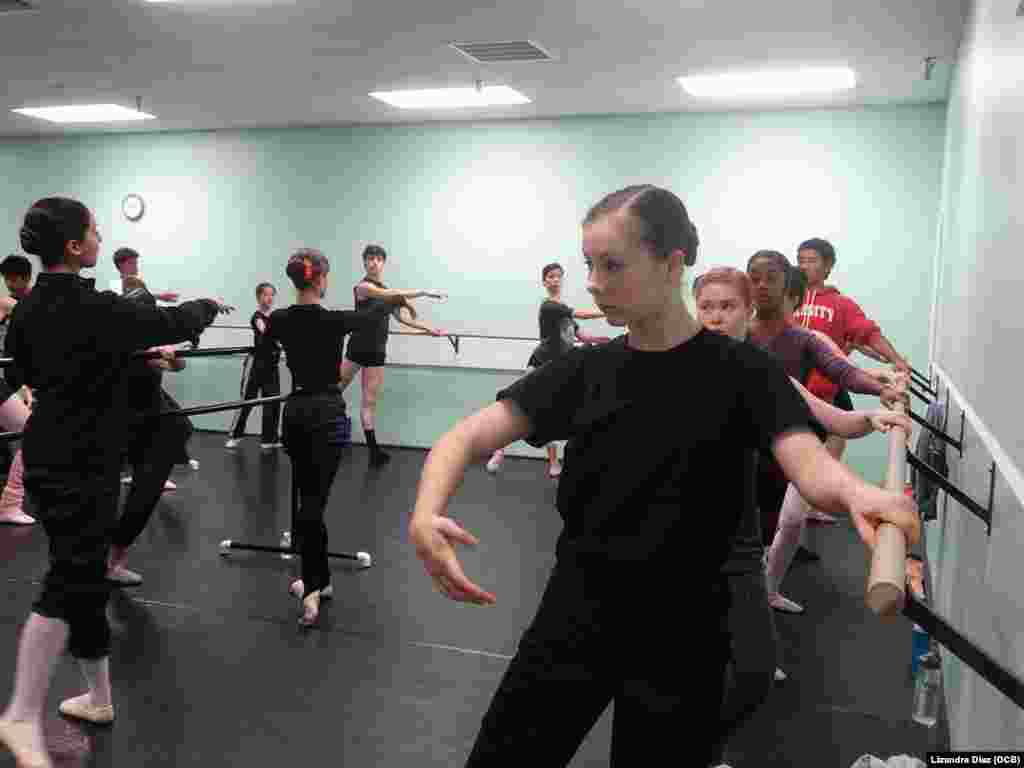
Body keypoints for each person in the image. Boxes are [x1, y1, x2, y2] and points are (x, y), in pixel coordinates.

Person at [408, 185, 919, 767]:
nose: (595, 283)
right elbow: (464, 437)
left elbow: (806, 460)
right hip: (578, 610)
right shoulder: (583, 370)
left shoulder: (743, 371)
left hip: (687, 631)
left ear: (673, 264)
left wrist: (859, 493)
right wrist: (426, 512)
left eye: (614, 264)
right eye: (589, 266)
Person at [0, 197, 230, 768]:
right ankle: (22, 715)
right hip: (85, 459)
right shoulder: (94, 306)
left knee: (81, 579)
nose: (101, 238)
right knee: (71, 577)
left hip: (48, 448)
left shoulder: (27, 311)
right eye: (96, 232)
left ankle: (98, 697)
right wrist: (205, 305)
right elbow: (168, 321)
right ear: (76, 247)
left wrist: (109, 366)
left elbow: (27, 370)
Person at [693, 266, 911, 764]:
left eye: (728, 307)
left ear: (749, 313)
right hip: (689, 534)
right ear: (695, 310)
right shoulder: (682, 365)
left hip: (741, 532)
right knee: (693, 660)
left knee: (753, 668)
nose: (716, 317)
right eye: (707, 306)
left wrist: (871, 418)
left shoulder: (760, 367)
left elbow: (819, 410)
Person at [747, 251, 903, 612]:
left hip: (791, 443)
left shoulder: (804, 339)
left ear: (791, 291)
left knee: (787, 522)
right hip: (745, 451)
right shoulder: (736, 338)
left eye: (771, 278)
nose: (761, 286)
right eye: (754, 277)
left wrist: (882, 388)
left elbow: (841, 372)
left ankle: (767, 592)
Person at [267, 248, 407, 627]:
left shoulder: (279, 318)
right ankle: (313, 586)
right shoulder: (334, 321)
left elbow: (265, 332)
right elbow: (372, 315)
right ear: (321, 279)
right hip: (326, 417)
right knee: (311, 507)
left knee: (309, 504)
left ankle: (320, 580)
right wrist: (390, 296)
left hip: (294, 415)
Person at [796, 238, 910, 522]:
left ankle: (813, 500)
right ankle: (805, 503)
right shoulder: (788, 300)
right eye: (800, 260)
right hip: (793, 388)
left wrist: (895, 360)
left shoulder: (840, 304)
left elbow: (866, 333)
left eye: (811, 260)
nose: (804, 266)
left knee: (833, 439)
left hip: (825, 388)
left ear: (828, 266)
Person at [107, 275, 196, 587]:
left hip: (149, 423)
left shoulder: (151, 341)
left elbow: (176, 364)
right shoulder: (110, 341)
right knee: (101, 496)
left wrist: (169, 357)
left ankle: (114, 560)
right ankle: (99, 559)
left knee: (145, 493)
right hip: (115, 423)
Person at [485, 263, 609, 477]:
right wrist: (608, 310)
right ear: (544, 282)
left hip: (557, 367)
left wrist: (599, 339)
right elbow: (580, 314)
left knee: (549, 411)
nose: (555, 279)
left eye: (558, 276)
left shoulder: (563, 310)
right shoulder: (549, 306)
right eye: (550, 276)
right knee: (515, 406)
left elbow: (579, 336)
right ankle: (498, 450)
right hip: (540, 362)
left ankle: (553, 463)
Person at [338, 244, 446, 467]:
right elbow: (389, 294)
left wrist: (429, 330)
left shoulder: (389, 293)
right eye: (370, 259)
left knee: (369, 403)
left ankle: (374, 452)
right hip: (356, 349)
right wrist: (424, 291)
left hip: (377, 353)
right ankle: (317, 432)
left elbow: (404, 319)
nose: (374, 262)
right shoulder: (363, 287)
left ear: (383, 263)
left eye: (378, 259)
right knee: (333, 390)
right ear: (365, 262)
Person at [226, 282, 283, 450]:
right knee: (247, 402)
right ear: (259, 297)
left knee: (273, 402)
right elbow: (267, 332)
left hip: (272, 366)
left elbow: (278, 336)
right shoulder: (257, 317)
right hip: (257, 365)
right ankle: (235, 435)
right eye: (266, 294)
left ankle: (269, 439)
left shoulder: (275, 317)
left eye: (272, 294)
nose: (269, 298)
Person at [112, 247, 180, 303]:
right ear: (121, 265)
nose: (135, 266)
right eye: (131, 263)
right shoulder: (129, 281)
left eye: (136, 263)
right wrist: (161, 297)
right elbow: (135, 297)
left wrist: (160, 297)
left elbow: (137, 296)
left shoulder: (121, 283)